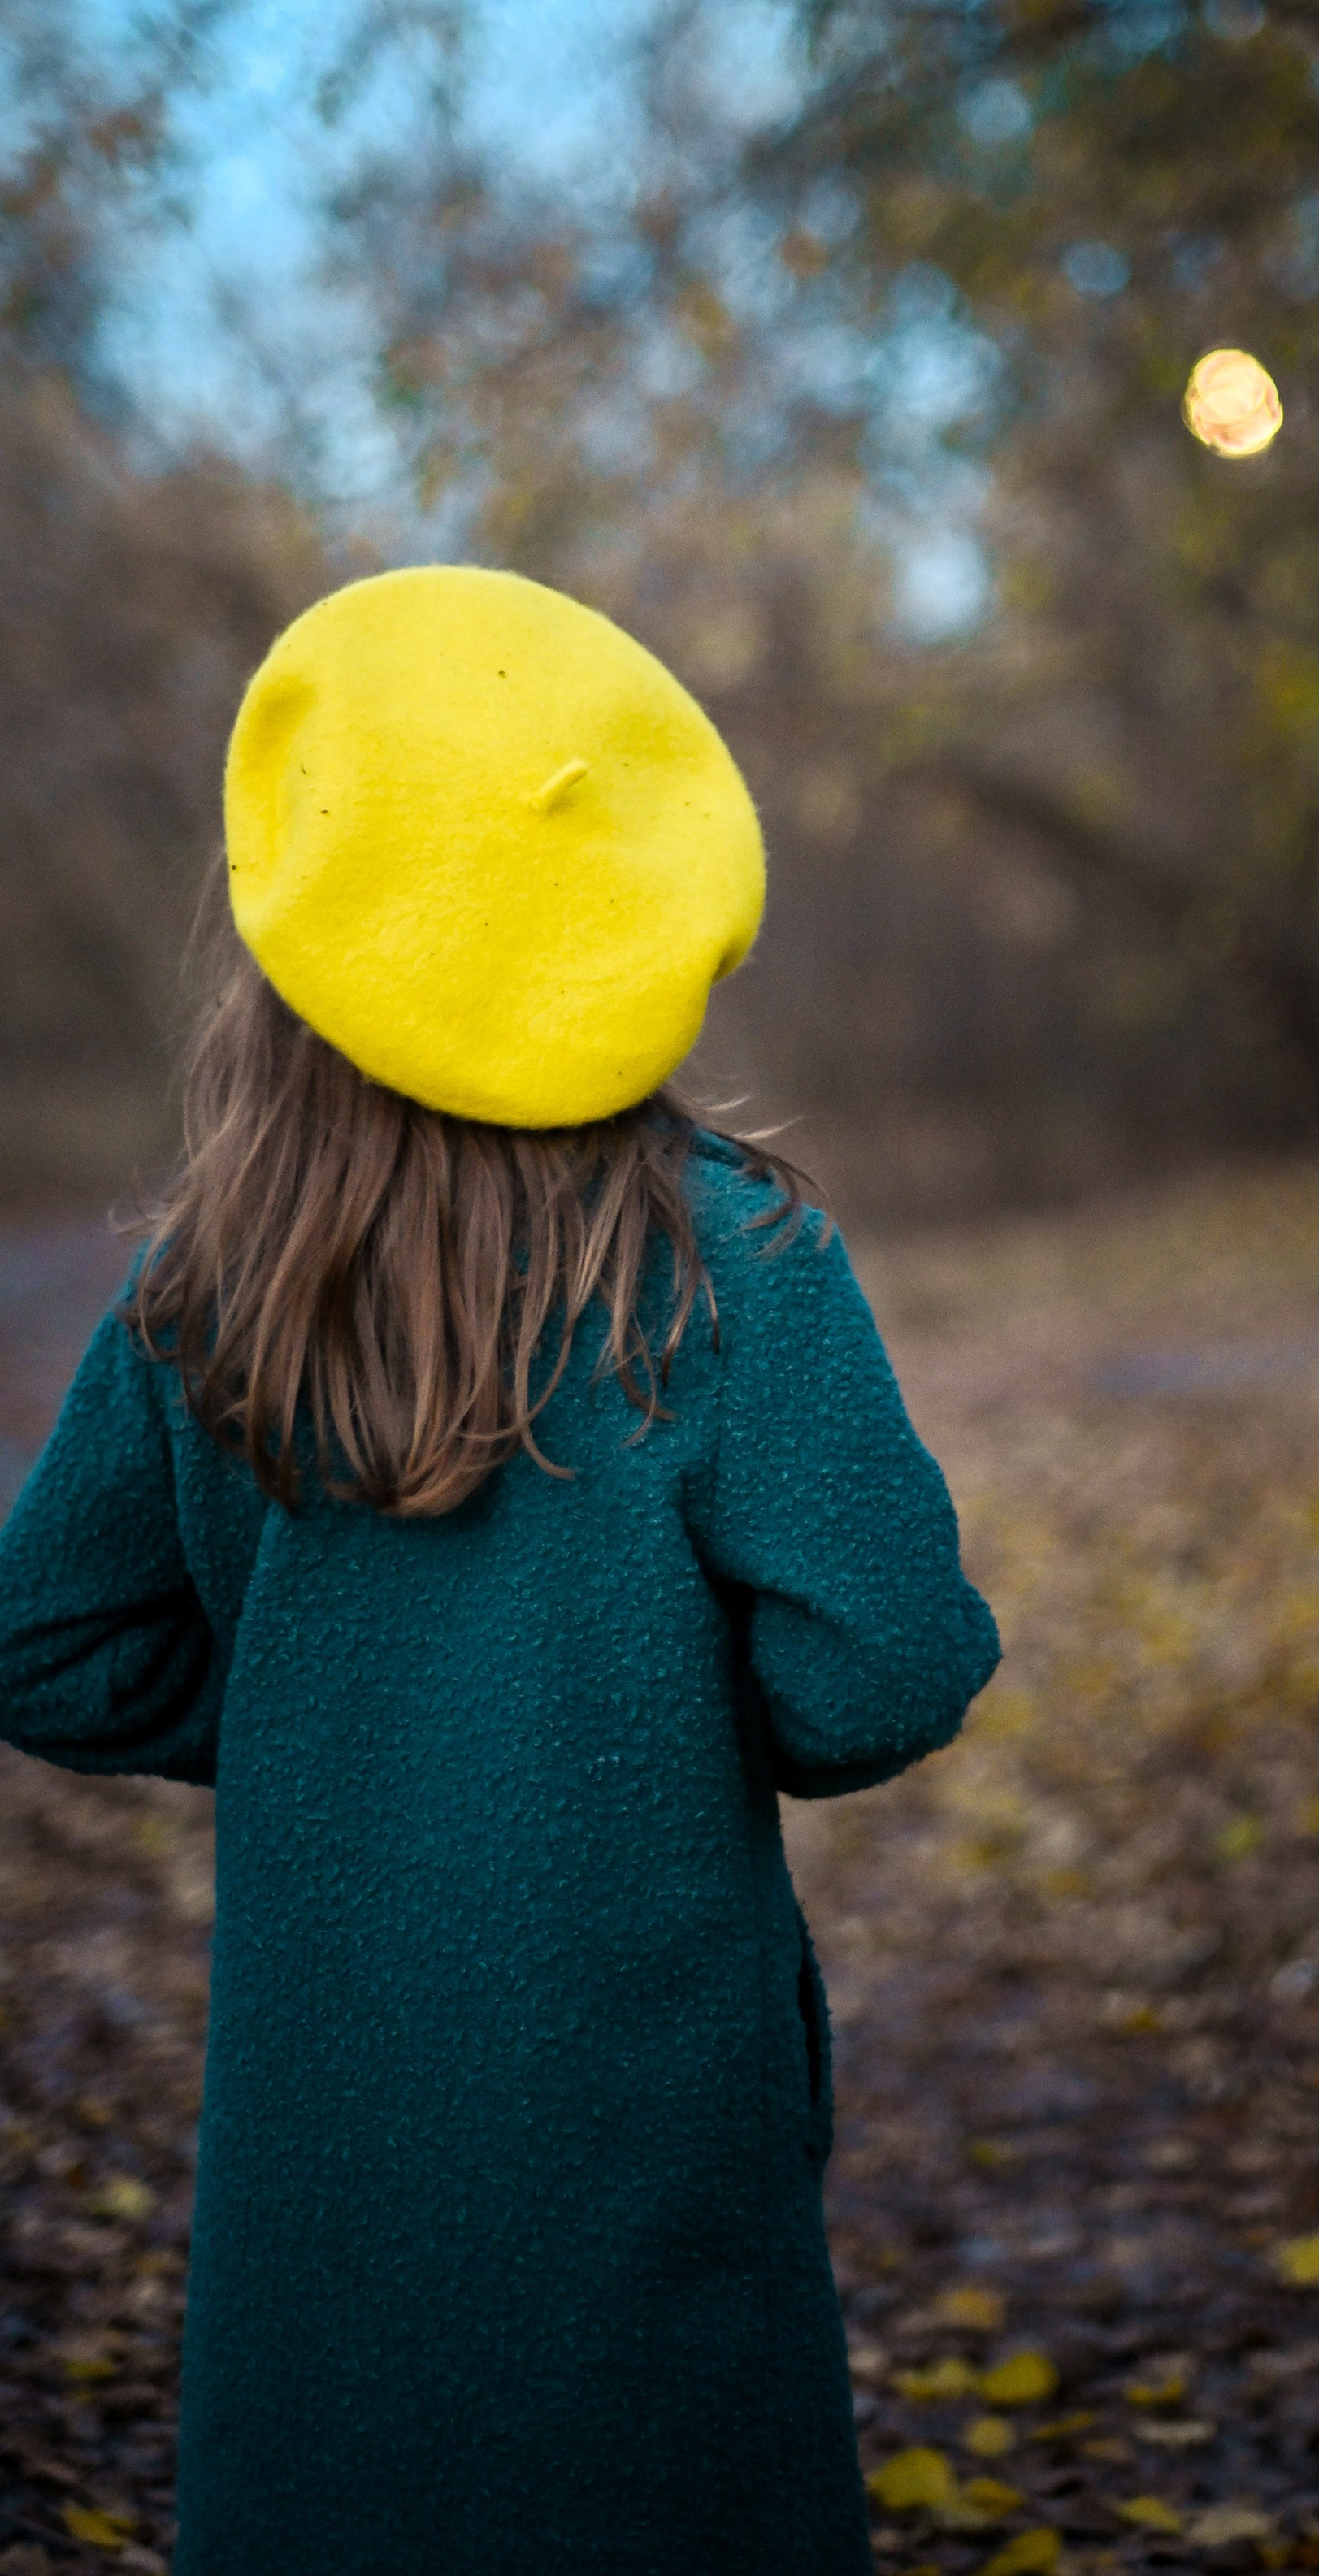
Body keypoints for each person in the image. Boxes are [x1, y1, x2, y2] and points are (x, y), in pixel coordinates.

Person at [0, 565, 1000, 2576]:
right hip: (647, 2149)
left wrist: (326, 1716)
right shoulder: (735, 1265)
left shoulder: (206, 1294)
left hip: (327, 2178)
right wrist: (643, 1704)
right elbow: (885, 1662)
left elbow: (51, 1638)